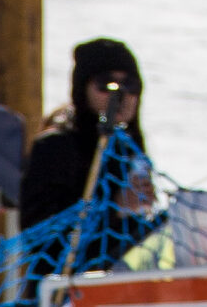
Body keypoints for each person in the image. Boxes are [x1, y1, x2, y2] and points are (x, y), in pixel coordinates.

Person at [18, 39, 153, 233]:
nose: (120, 96)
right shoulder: (56, 147)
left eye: (130, 85)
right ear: (84, 89)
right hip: (76, 262)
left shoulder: (129, 147)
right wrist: (114, 208)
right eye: (106, 84)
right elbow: (38, 230)